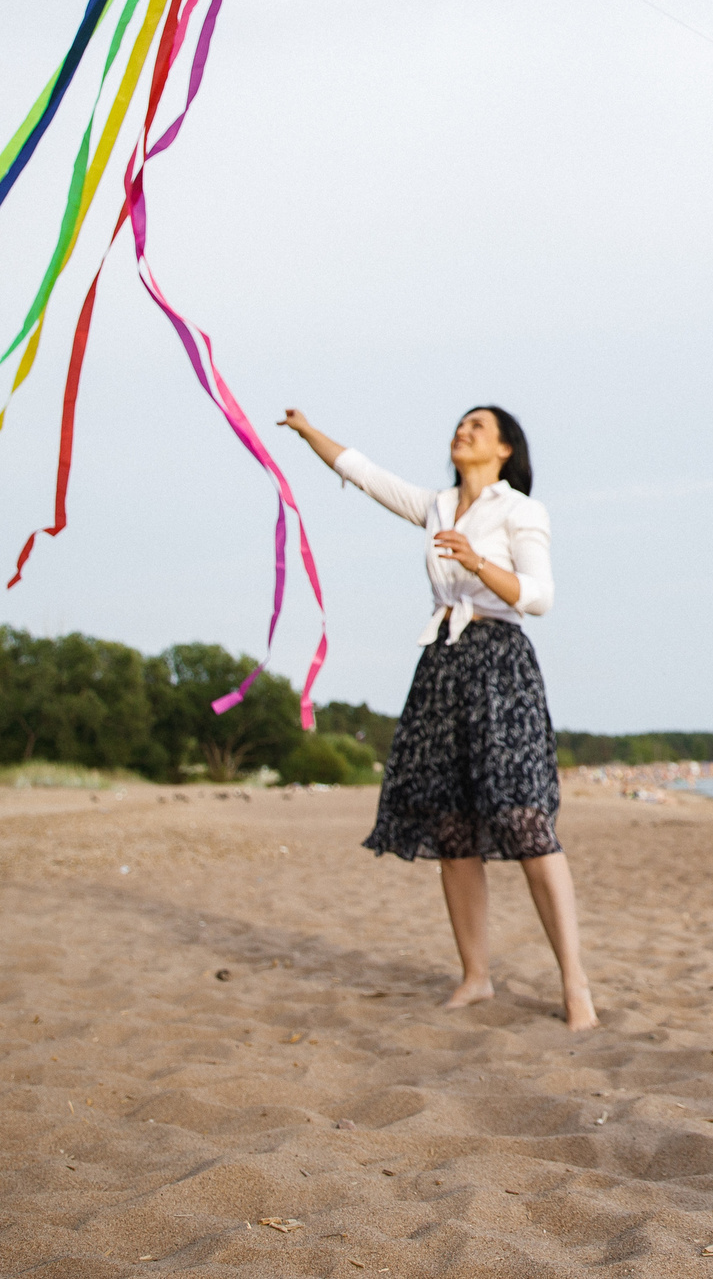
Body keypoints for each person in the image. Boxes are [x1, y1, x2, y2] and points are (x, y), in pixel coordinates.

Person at [279, 404, 597, 1030]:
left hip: (500, 666)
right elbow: (365, 474)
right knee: (453, 830)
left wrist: (477, 561)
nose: (464, 431)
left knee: (526, 820)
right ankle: (476, 977)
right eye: (461, 424)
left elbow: (540, 598)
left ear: (505, 449)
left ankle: (574, 980)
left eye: (478, 426)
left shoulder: (519, 510)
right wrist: (309, 429)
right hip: (443, 667)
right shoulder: (436, 504)